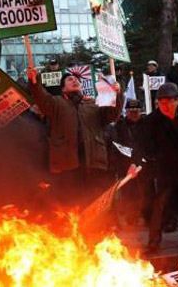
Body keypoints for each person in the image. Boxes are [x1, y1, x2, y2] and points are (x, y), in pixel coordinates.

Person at [27, 67, 123, 207]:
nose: (75, 80)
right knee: (70, 201)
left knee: (93, 200)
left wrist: (117, 94)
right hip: (67, 163)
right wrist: (34, 81)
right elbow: (41, 96)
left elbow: (112, 114)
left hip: (93, 161)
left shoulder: (93, 104)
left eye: (77, 79)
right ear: (63, 89)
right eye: (70, 79)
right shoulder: (55, 104)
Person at [136, 83, 178, 255]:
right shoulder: (151, 121)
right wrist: (139, 161)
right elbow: (141, 146)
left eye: (169, 102)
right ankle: (153, 243)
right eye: (161, 103)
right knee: (160, 205)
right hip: (167, 169)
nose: (165, 106)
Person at [106, 99, 144, 226]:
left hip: (143, 165)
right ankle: (131, 217)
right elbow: (115, 145)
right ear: (126, 112)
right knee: (129, 193)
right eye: (131, 111)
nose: (134, 113)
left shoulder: (146, 124)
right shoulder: (119, 126)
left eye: (136, 111)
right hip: (125, 165)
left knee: (146, 191)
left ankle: (147, 215)